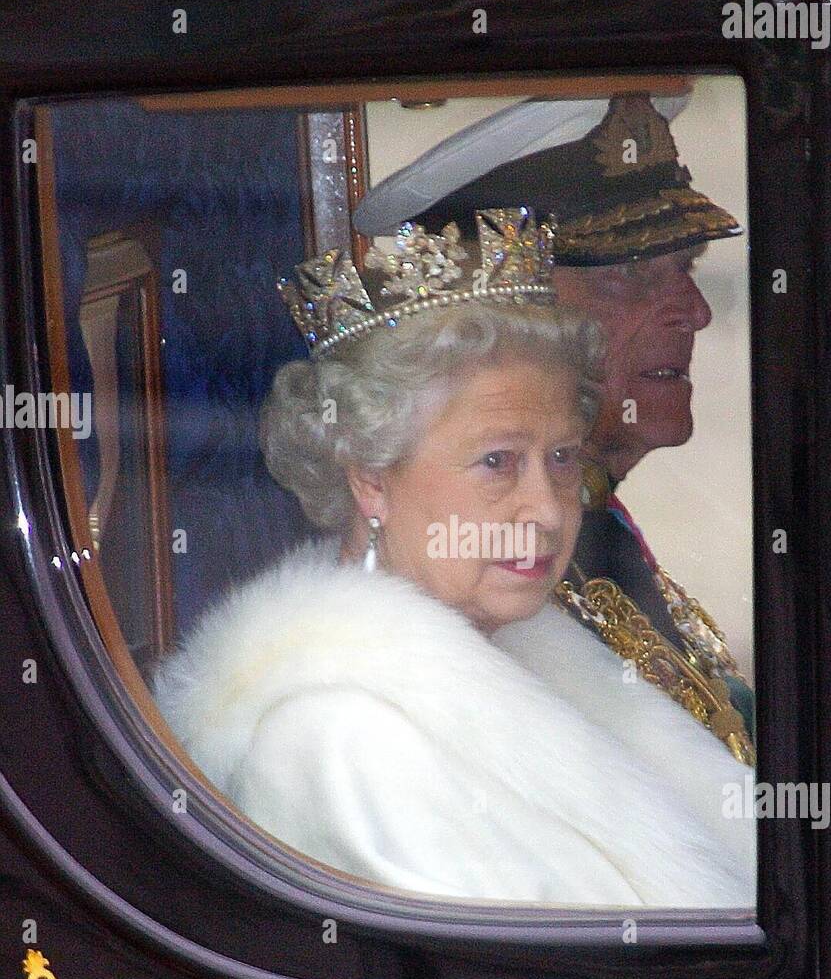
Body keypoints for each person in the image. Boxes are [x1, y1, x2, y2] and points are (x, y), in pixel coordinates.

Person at [151, 209, 755, 907]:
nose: (547, 508)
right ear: (369, 476)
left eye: (559, 457)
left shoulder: (541, 656)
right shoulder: (336, 743)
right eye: (496, 461)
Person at [353, 89, 756, 759]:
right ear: (509, 323)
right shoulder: (481, 580)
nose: (691, 312)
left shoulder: (595, 530)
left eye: (683, 270)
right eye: (630, 275)